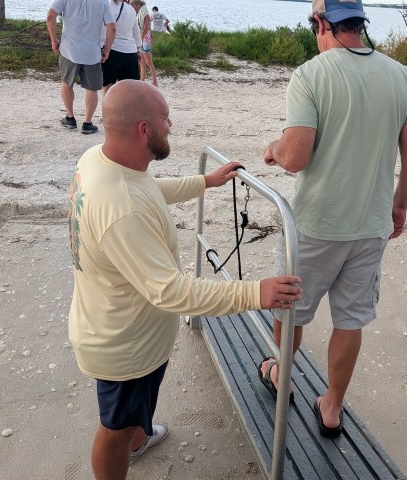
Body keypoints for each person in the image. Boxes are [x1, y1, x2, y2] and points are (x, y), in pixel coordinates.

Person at [68, 80, 302, 480]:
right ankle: (128, 445)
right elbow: (171, 291)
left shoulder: (101, 160)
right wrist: (256, 293)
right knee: (115, 428)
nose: (171, 126)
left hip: (115, 323)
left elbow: (148, 190)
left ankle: (139, 442)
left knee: (132, 416)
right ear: (144, 130)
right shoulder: (123, 208)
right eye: (165, 119)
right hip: (124, 345)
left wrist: (204, 183)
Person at [260, 0, 407, 438]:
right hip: (371, 226)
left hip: (316, 225)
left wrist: (274, 148)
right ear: (360, 25)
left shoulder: (311, 74)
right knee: (350, 320)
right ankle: (332, 407)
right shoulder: (402, 77)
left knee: (290, 308)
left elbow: (295, 157)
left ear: (323, 24)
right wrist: (400, 203)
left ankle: (280, 373)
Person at [47, 0, 116, 134]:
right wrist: (107, 50)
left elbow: (50, 16)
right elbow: (112, 28)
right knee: (92, 88)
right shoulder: (102, 2)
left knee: (67, 82)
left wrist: (54, 40)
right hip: (92, 53)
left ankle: (70, 117)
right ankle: (88, 123)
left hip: (69, 50)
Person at [100, 0, 142, 95]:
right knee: (130, 87)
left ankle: (108, 108)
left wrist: (102, 47)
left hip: (113, 50)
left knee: (108, 85)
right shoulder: (131, 9)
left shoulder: (106, 7)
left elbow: (104, 29)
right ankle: (127, 108)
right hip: (130, 52)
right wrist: (138, 50)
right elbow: (136, 31)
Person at [132, 0, 157, 86]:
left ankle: (155, 81)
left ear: (136, 4)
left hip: (145, 38)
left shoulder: (144, 9)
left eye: (133, 6)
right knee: (141, 61)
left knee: (148, 61)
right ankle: (142, 80)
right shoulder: (140, 10)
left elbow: (146, 25)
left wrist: (141, 38)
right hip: (142, 37)